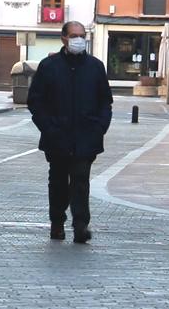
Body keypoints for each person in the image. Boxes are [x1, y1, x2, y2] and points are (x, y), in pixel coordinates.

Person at [27, 21, 113, 244]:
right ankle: (57, 221)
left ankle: (80, 225)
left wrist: (99, 127)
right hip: (57, 137)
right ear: (63, 38)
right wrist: (48, 127)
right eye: (74, 35)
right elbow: (36, 101)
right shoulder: (49, 66)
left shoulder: (95, 67)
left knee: (81, 180)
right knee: (57, 182)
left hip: (86, 137)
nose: (79, 39)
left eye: (82, 35)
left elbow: (105, 101)